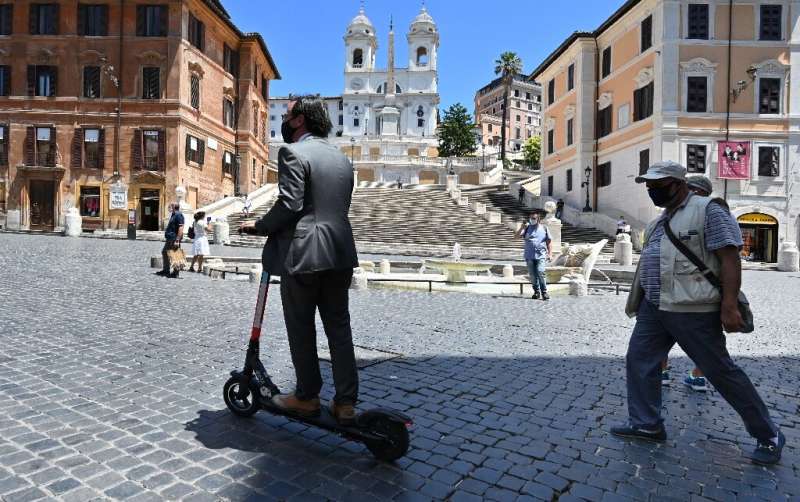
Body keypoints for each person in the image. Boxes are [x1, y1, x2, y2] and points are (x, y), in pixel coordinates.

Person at [612, 161, 784, 466]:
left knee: (720, 371)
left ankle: (768, 435)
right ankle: (646, 423)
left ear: (679, 184)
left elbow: (730, 258)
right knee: (639, 361)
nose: (652, 191)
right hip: (654, 307)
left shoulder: (709, 210)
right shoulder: (658, 221)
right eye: (649, 187)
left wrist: (729, 305)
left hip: (693, 308)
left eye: (658, 186)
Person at [240, 95, 360, 424]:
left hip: (305, 253)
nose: (285, 120)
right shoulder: (342, 160)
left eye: (289, 115)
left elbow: (291, 205)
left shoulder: (292, 152)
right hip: (340, 252)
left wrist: (260, 226)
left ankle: (306, 396)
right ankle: (346, 402)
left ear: (300, 121)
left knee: (301, 326)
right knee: (339, 327)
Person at [661, 174, 714, 391]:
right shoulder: (670, 214)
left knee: (666, 335)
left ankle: (665, 372)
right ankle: (695, 375)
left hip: (692, 290)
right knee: (704, 341)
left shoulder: (709, 212)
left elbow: (729, 256)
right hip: (690, 290)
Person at [516, 212, 552, 300]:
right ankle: (536, 292)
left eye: (534, 218)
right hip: (529, 255)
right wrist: (521, 228)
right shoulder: (527, 228)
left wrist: (550, 253)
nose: (532, 220)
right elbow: (516, 237)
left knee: (540, 272)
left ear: (538, 219)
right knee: (532, 275)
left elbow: (549, 241)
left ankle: (544, 292)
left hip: (541, 255)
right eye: (531, 218)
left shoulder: (544, 228)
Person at [156, 203, 184, 278]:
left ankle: (175, 272)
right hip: (170, 238)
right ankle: (166, 270)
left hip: (174, 238)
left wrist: (177, 240)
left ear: (174, 207)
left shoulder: (178, 215)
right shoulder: (174, 214)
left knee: (175, 255)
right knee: (164, 252)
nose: (168, 207)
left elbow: (181, 228)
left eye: (170, 206)